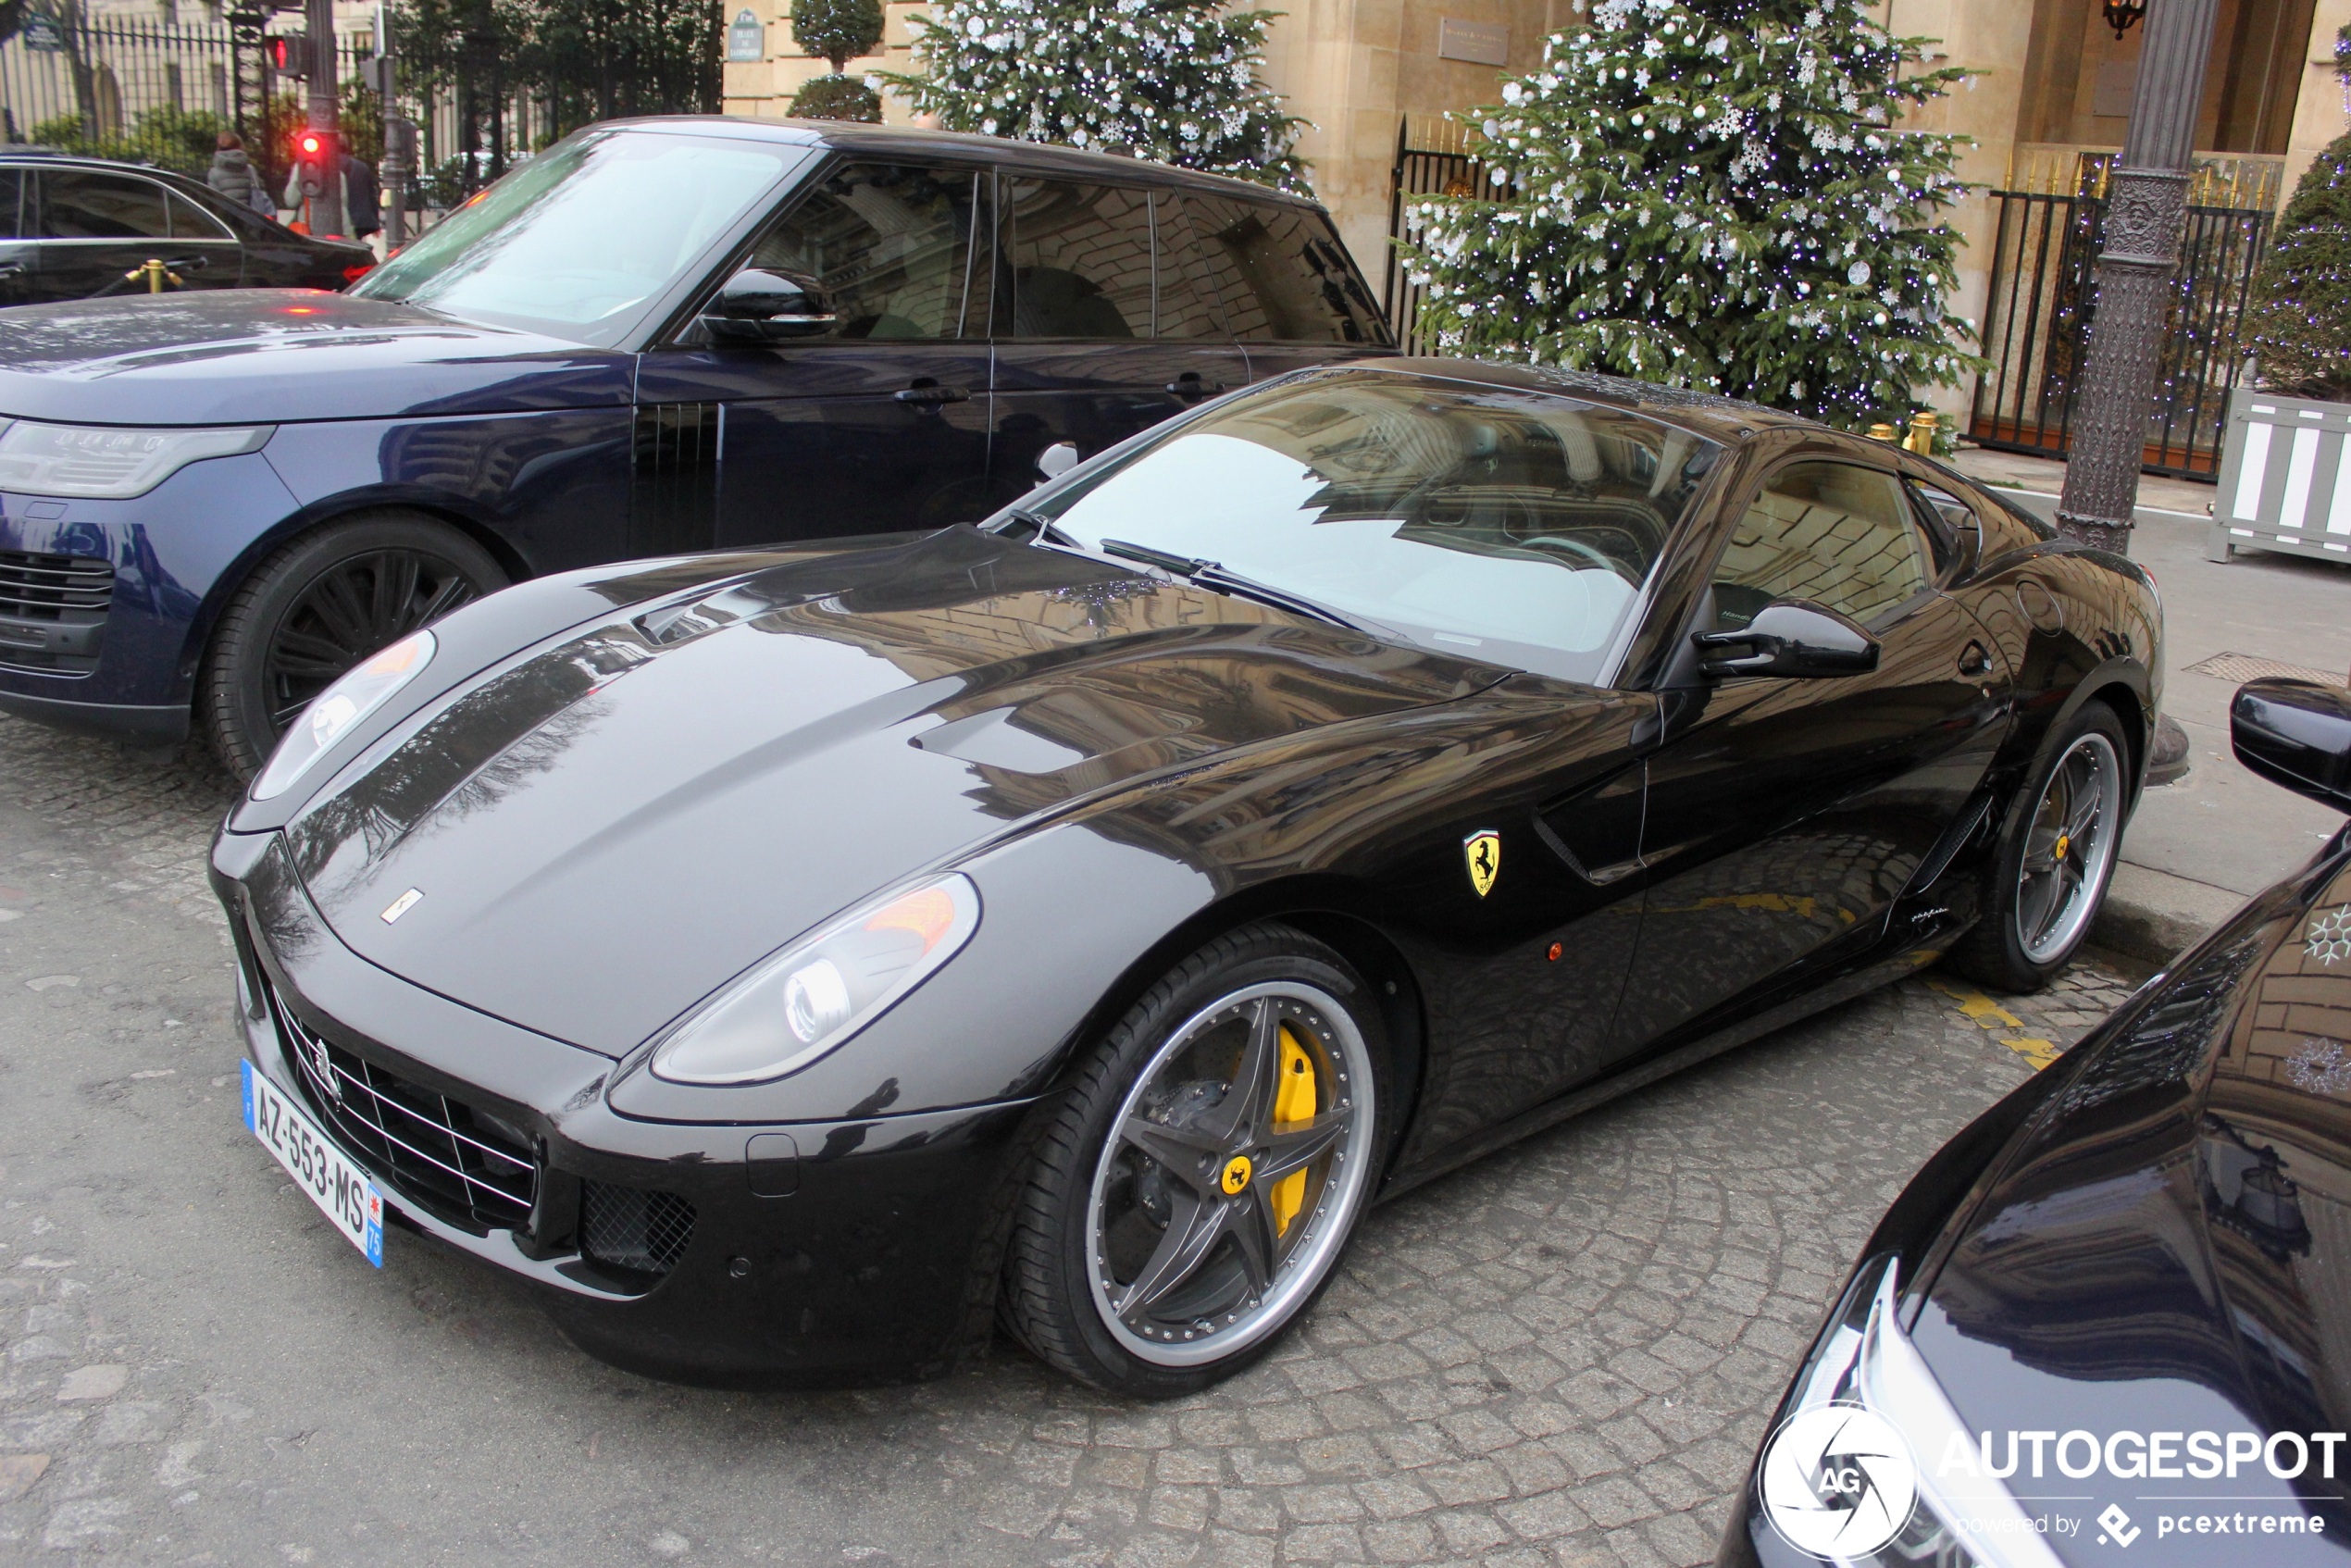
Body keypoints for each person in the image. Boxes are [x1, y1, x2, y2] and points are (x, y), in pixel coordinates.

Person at [206, 132, 273, 218]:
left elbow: (214, 201)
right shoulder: (250, 170)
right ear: (239, 146)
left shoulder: (214, 173)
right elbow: (258, 195)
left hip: (227, 220)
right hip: (248, 220)